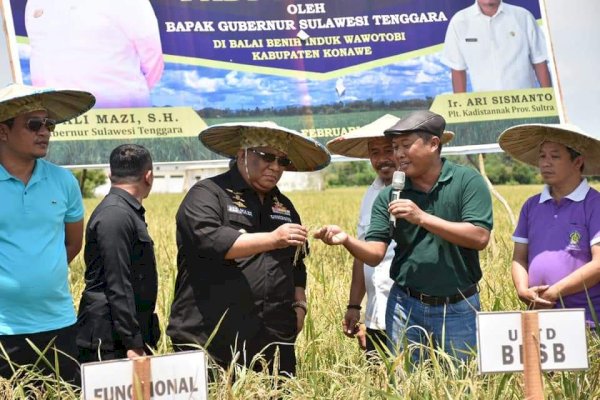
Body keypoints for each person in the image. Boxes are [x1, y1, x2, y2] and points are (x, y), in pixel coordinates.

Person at [315, 110, 493, 363]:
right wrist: (346, 240)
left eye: (404, 146)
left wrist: (421, 217)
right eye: (395, 147)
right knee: (406, 383)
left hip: (458, 306)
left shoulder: (466, 182)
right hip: (406, 305)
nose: (398, 154)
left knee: (461, 381)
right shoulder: (388, 195)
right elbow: (375, 254)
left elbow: (480, 237)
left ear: (433, 144)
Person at [167, 121, 330, 377]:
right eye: (267, 157)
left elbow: (297, 263)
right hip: (211, 340)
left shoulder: (284, 206)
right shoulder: (208, 194)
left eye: (282, 161)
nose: (275, 167)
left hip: (273, 341)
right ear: (242, 154)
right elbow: (212, 242)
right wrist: (273, 239)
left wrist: (300, 305)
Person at [0, 83, 95, 383]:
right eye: (33, 125)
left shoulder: (64, 182)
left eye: (49, 124)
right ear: (3, 131)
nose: (45, 132)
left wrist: (41, 273)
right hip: (4, 330)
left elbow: (73, 244)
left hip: (59, 324)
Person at [499, 123, 600, 327]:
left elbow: (599, 264)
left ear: (577, 162)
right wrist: (522, 290)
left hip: (584, 319)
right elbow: (519, 257)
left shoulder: (594, 204)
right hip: (538, 315)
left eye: (555, 156)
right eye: (542, 156)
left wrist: (555, 291)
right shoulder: (532, 205)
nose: (545, 163)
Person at [77, 144, 160, 364]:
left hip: (118, 335)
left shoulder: (123, 211)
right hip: (110, 342)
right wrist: (133, 343)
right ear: (149, 176)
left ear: (110, 175)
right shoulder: (116, 215)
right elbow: (118, 283)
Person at [326, 115, 399, 356]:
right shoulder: (371, 194)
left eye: (389, 149)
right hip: (376, 313)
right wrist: (355, 305)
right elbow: (362, 253)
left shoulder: (419, 192)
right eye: (374, 152)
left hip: (409, 313)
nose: (382, 158)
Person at [25, 0, 164, 108]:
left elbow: (152, 58)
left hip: (121, 118)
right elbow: (40, 54)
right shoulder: (35, 2)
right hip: (57, 117)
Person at [442, 0, 551, 93]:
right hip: (486, 108)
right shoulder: (459, 21)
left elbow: (539, 61)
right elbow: (457, 69)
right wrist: (462, 110)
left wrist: (550, 102)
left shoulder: (523, 16)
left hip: (527, 104)